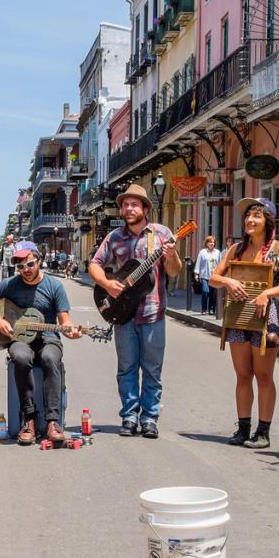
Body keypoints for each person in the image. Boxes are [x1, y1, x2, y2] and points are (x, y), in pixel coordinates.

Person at [89, 183, 182, 438]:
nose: (129, 208)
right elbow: (95, 264)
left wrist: (171, 255)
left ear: (145, 208)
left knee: (152, 368)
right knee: (126, 367)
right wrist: (107, 283)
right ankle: (129, 416)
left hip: (153, 311)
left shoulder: (161, 234)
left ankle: (150, 418)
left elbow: (173, 271)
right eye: (125, 204)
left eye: (134, 204)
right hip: (123, 313)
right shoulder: (115, 237)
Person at [209, 198, 279, 449]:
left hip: (265, 320)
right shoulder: (235, 250)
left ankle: (263, 432)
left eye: (257, 216)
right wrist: (228, 282)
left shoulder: (278, 250)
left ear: (268, 221)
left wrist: (267, 293)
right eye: (249, 215)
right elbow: (213, 278)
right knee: (242, 375)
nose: (250, 220)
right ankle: (243, 428)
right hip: (238, 317)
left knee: (263, 376)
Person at [0, 241, 81, 445]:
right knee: (20, 357)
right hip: (20, 339)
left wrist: (71, 331)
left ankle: (52, 421)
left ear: (39, 260)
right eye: (20, 267)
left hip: (48, 337)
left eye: (30, 264)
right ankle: (28, 418)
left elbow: (65, 321)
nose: (25, 270)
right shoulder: (11, 284)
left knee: (50, 358)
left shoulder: (54, 286)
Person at [193, 236, 222, 315]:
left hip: (214, 276)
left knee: (213, 294)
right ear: (206, 243)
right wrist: (196, 274)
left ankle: (212, 309)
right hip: (204, 275)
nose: (212, 243)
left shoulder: (218, 252)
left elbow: (220, 264)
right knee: (205, 291)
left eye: (213, 242)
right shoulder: (202, 252)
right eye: (210, 242)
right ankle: (204, 308)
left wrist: (221, 274)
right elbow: (198, 263)